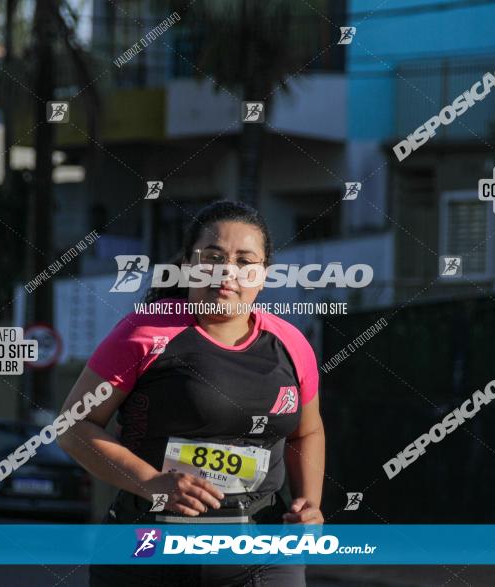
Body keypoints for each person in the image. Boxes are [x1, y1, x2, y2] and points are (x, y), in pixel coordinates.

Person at [58, 201, 325, 587]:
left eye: (244, 260)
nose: (227, 272)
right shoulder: (146, 332)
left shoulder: (290, 343)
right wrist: (151, 483)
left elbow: (307, 432)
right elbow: (73, 427)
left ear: (264, 274)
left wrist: (310, 504)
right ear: (187, 265)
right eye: (212, 257)